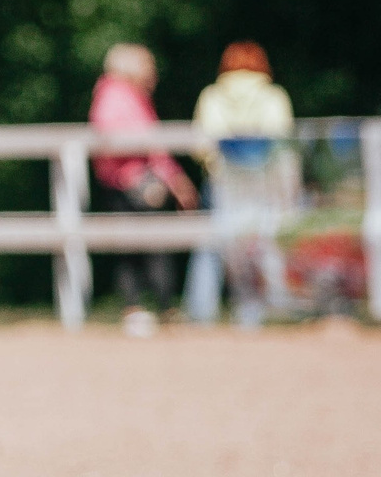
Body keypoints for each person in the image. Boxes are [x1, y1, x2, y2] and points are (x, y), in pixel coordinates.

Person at [89, 43, 196, 327]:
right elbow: (131, 139)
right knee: (142, 248)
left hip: (131, 182)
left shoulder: (124, 95)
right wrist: (174, 179)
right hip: (131, 184)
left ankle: (151, 308)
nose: (153, 73)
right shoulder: (118, 94)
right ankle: (149, 308)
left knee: (140, 247)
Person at [191, 41, 297, 327]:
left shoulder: (211, 96)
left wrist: (219, 163)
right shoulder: (273, 96)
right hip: (265, 184)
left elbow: (201, 144)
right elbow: (281, 143)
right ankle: (276, 308)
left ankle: (201, 311)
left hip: (223, 182)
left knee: (213, 246)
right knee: (268, 244)